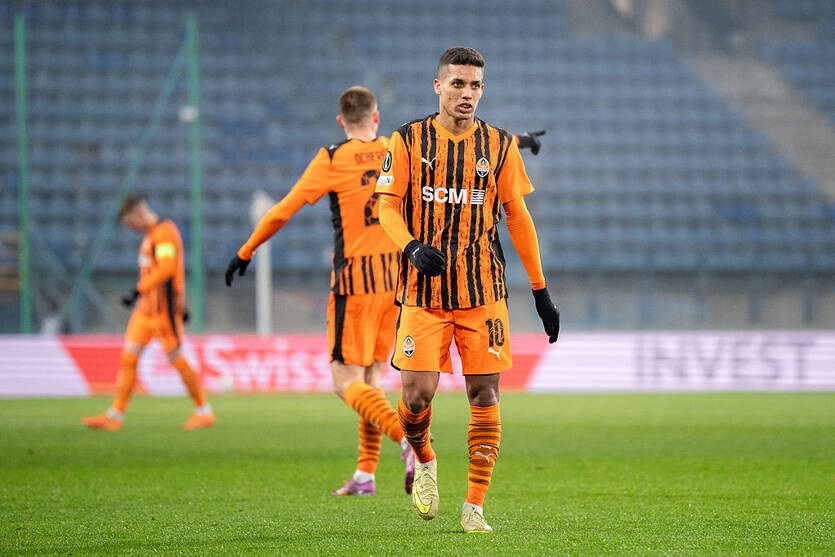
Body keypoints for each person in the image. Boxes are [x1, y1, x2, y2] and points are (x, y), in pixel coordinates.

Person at [375, 47, 560, 533]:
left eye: (475, 85)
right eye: (458, 83)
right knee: (417, 396)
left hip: (483, 293)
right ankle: (425, 459)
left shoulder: (498, 145)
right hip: (424, 293)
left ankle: (474, 506)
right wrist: (412, 247)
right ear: (438, 86)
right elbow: (386, 206)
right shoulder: (408, 139)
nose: (467, 93)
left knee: (484, 393)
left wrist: (540, 291)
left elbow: (518, 218)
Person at [224, 86, 415, 496]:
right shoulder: (395, 149)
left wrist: (246, 250)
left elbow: (282, 211)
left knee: (343, 382)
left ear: (340, 121)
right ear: (376, 117)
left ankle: (408, 438)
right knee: (370, 380)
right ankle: (365, 475)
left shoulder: (332, 158)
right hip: (395, 281)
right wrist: (516, 142)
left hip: (355, 282)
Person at [83, 194, 215, 431]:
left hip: (163, 311)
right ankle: (115, 415)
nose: (130, 228)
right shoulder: (150, 235)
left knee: (176, 358)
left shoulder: (164, 233)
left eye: (130, 223)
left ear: (139, 214)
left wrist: (139, 290)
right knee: (128, 358)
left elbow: (167, 269)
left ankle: (203, 410)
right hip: (145, 310)